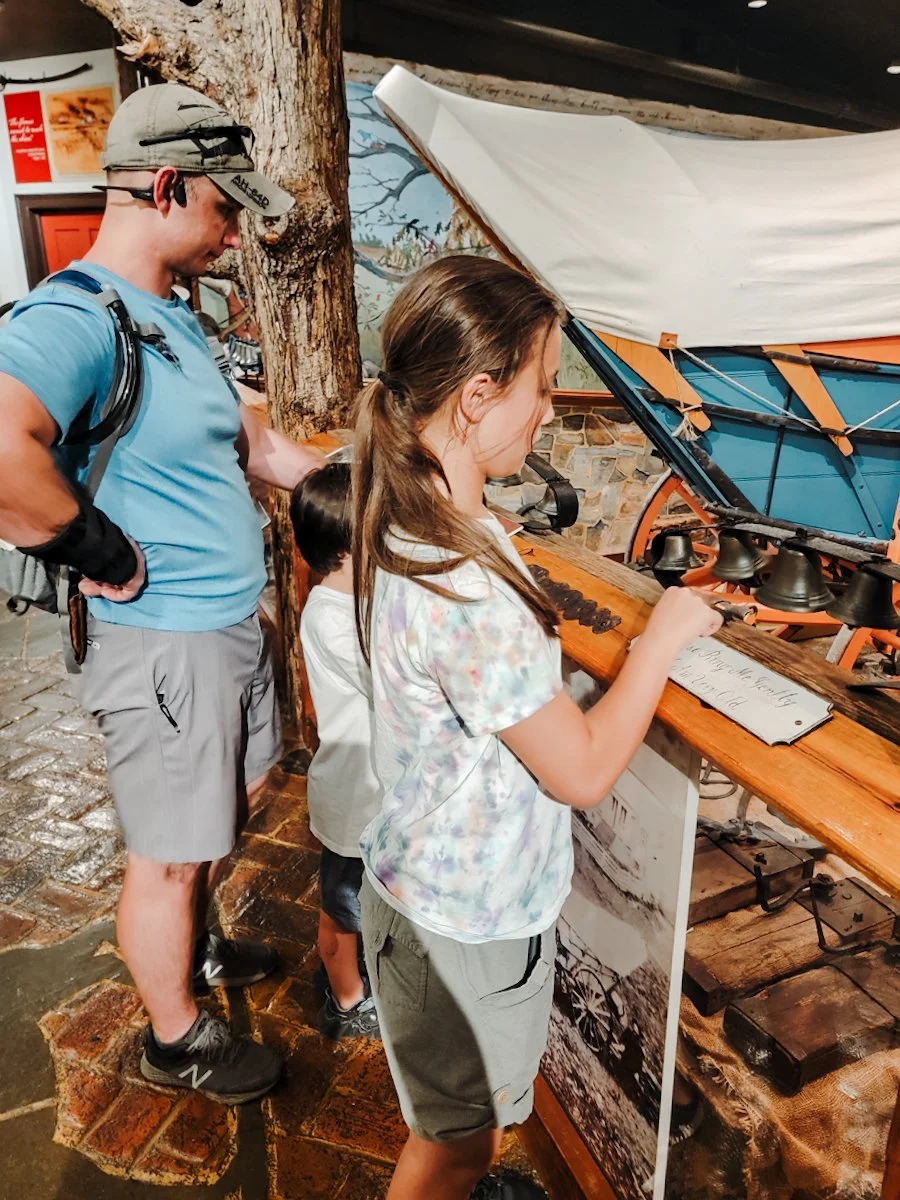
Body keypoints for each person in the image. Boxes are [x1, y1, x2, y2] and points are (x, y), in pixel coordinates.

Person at [351, 255, 724, 1200]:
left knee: (452, 1128)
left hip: (417, 891)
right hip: (465, 932)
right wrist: (665, 635)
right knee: (455, 1147)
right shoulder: (467, 586)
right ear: (477, 396)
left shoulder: (412, 514)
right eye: (544, 384)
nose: (553, 410)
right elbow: (584, 771)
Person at [0, 82, 324, 1105]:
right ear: (168, 185)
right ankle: (176, 1036)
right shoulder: (76, 315)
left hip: (226, 630)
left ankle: (196, 949)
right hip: (162, 641)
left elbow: (260, 445)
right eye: (224, 205)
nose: (234, 230)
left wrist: (373, 484)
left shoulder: (170, 323)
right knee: (171, 854)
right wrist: (99, 549)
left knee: (235, 805)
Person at [290, 461, 381, 1039]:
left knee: (351, 893)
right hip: (355, 796)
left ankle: (351, 975)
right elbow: (388, 678)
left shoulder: (346, 600)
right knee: (341, 905)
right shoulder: (332, 619)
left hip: (364, 789)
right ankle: (346, 999)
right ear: (349, 550)